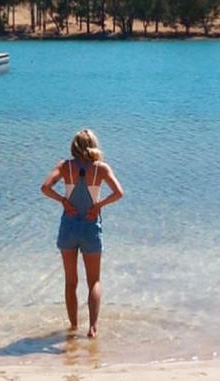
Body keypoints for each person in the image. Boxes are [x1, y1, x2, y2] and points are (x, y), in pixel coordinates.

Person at [40, 129, 124, 338]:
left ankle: (73, 327)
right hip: (90, 224)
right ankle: (93, 328)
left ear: (74, 146)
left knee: (70, 281)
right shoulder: (101, 169)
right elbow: (118, 193)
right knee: (94, 280)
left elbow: (45, 187)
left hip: (69, 225)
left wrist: (63, 201)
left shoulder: (65, 166)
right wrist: (99, 205)